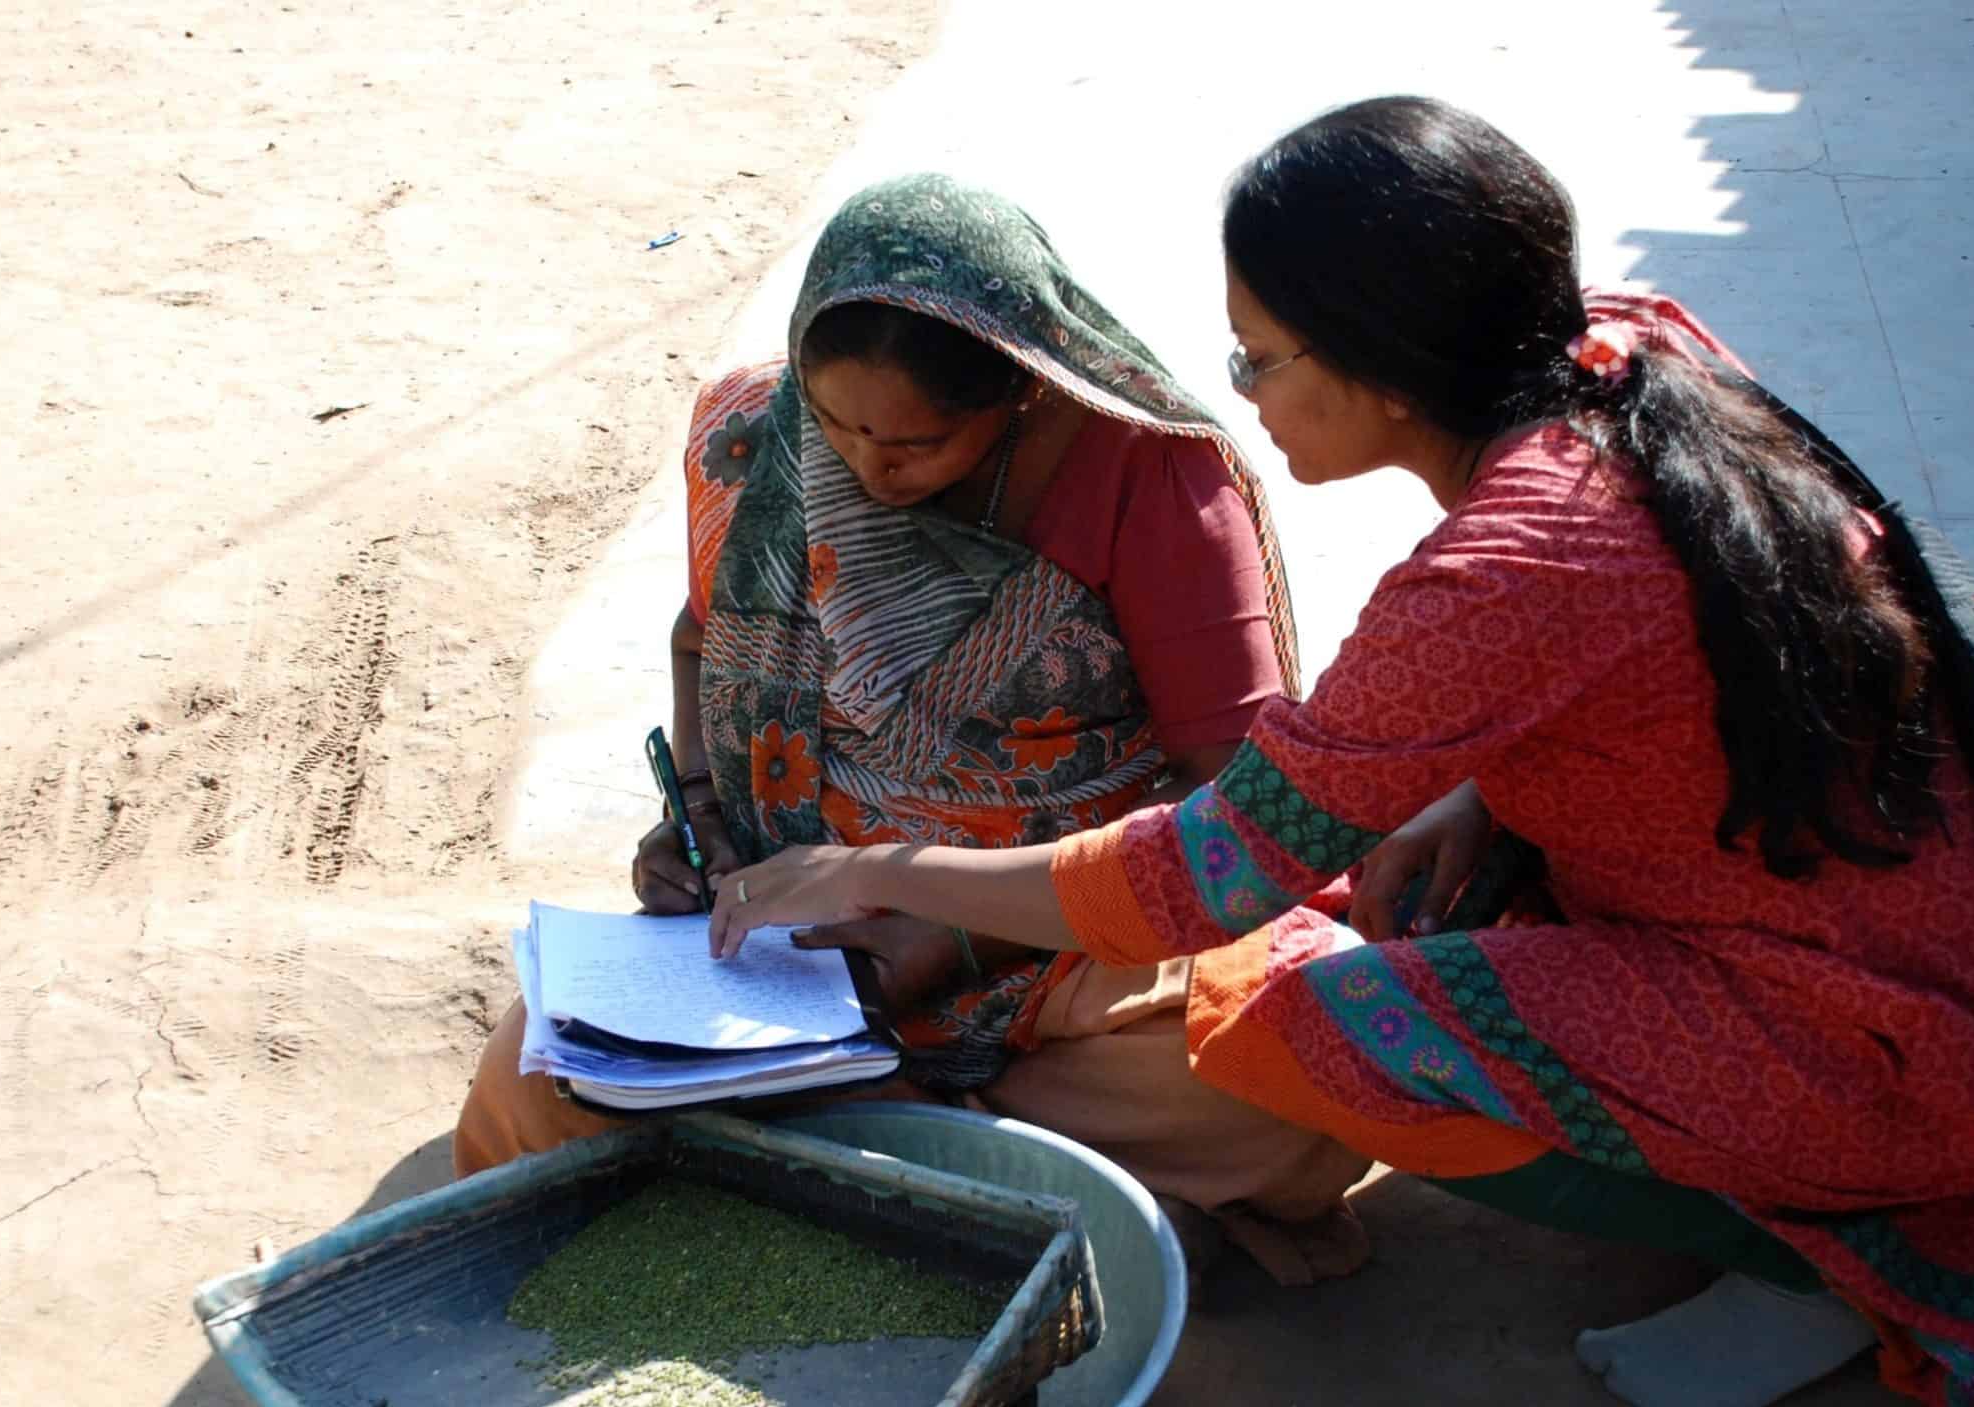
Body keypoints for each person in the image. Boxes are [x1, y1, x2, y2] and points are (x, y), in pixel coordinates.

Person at [704, 99, 1974, 1407]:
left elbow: (1206, 872)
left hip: (1909, 1050)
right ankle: (1780, 1174)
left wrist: (875, 869)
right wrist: (1490, 785)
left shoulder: (1490, 574)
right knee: (1403, 890)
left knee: (1305, 1024)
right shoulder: (1629, 355)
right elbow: (1668, 649)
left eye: (1260, 357)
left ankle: (1833, 1256)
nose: (1240, 394)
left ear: (1377, 367)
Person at [453, 174, 1372, 1284]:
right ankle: (1018, 1190)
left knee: (1326, 1043)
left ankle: (843, 1165)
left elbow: (1233, 791)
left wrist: (967, 930)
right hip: (785, 946)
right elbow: (703, 642)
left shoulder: (1149, 478)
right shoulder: (756, 436)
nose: (865, 466)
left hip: (1062, 943)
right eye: (835, 422)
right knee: (524, 1080)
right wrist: (696, 814)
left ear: (1024, 392)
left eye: (920, 443)